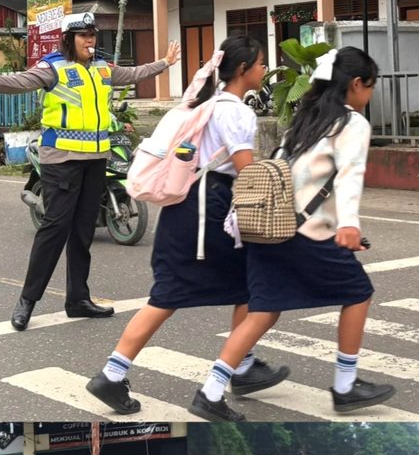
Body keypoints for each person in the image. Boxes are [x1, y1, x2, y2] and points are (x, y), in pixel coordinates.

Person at [85, 35, 290, 414]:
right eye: (261, 63)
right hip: (209, 210)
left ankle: (240, 365)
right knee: (235, 289)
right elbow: (246, 170)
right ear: (243, 69)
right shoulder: (236, 111)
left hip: (187, 205)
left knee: (225, 288)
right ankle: (115, 376)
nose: (265, 70)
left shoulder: (207, 103)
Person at [187, 47, 393, 421]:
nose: (371, 95)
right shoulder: (352, 124)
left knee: (262, 311)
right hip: (306, 233)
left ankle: (211, 391)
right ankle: (345, 385)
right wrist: (348, 225)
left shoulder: (307, 118)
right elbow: (348, 176)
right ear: (358, 84)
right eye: (371, 86)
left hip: (269, 228)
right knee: (358, 293)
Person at [0, 12, 181, 332]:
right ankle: (27, 302)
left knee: (83, 232)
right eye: (82, 36)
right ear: (68, 39)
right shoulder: (53, 67)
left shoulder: (103, 68)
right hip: (61, 160)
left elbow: (132, 73)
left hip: (95, 160)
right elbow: (21, 81)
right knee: (54, 230)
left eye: (92, 35)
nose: (89, 40)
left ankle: (78, 299)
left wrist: (164, 63)